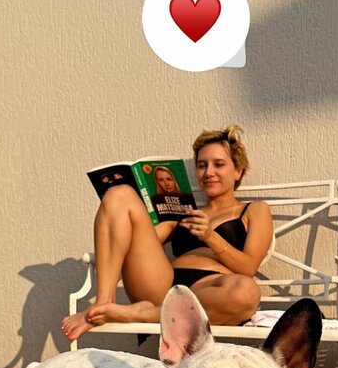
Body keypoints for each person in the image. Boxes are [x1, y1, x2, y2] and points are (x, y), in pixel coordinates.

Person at [61, 125, 273, 339]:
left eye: (218, 164)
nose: (209, 172)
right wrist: (146, 215)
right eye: (202, 165)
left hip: (210, 290)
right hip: (162, 285)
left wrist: (210, 236)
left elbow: (248, 268)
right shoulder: (184, 211)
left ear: (238, 171)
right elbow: (139, 247)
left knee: (247, 292)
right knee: (119, 193)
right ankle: (103, 303)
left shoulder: (255, 210)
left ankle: (138, 314)